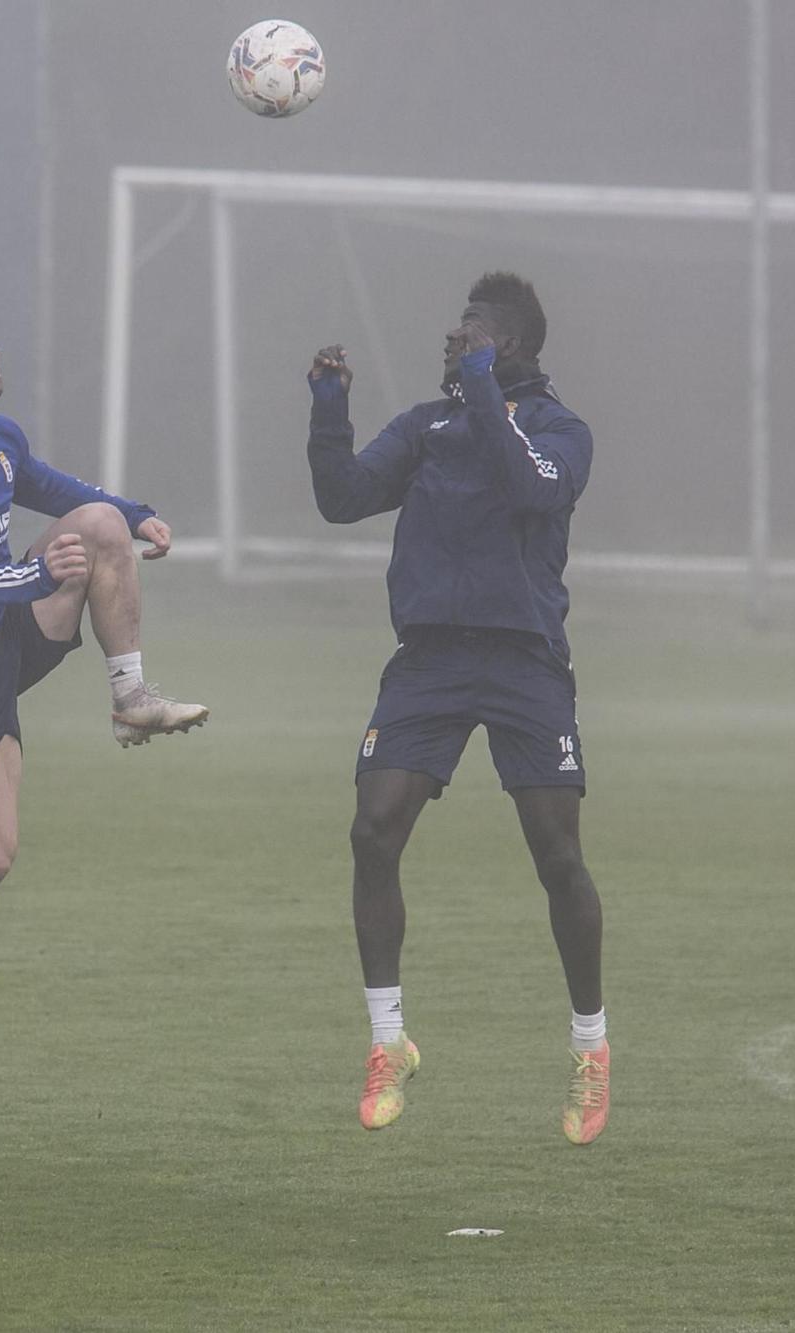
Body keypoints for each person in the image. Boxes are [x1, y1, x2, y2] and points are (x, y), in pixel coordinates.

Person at [304, 272, 610, 1145]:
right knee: (372, 832)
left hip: (524, 664)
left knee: (557, 857)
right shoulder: (429, 425)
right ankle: (388, 1041)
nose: (451, 336)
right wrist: (330, 406)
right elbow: (342, 497)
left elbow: (531, 488)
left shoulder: (559, 430)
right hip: (431, 660)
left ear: (507, 343)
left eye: (469, 328)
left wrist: (481, 386)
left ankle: (590, 1048)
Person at [0, 313, 208, 1067]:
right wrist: (31, 576)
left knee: (95, 524)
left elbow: (59, 490)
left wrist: (135, 512)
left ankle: (131, 697)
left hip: (10, 624)